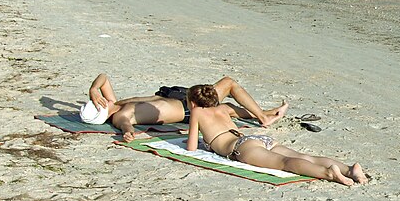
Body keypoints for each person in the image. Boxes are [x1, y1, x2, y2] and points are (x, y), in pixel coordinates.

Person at [186, 84, 367, 186]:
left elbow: (192, 147)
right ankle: (349, 169)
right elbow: (250, 113)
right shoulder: (224, 108)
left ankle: (328, 173)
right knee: (303, 156)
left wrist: (205, 142)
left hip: (241, 148)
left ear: (193, 103)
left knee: (284, 163)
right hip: (256, 139)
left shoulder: (196, 113)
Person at [81, 73, 287, 142]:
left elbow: (103, 78)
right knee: (229, 83)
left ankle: (267, 113)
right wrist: (127, 134)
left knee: (228, 106)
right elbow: (127, 126)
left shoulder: (116, 104)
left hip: (180, 99)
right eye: (99, 102)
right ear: (102, 111)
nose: (102, 99)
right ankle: (264, 117)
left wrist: (93, 89)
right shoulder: (120, 116)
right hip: (188, 109)